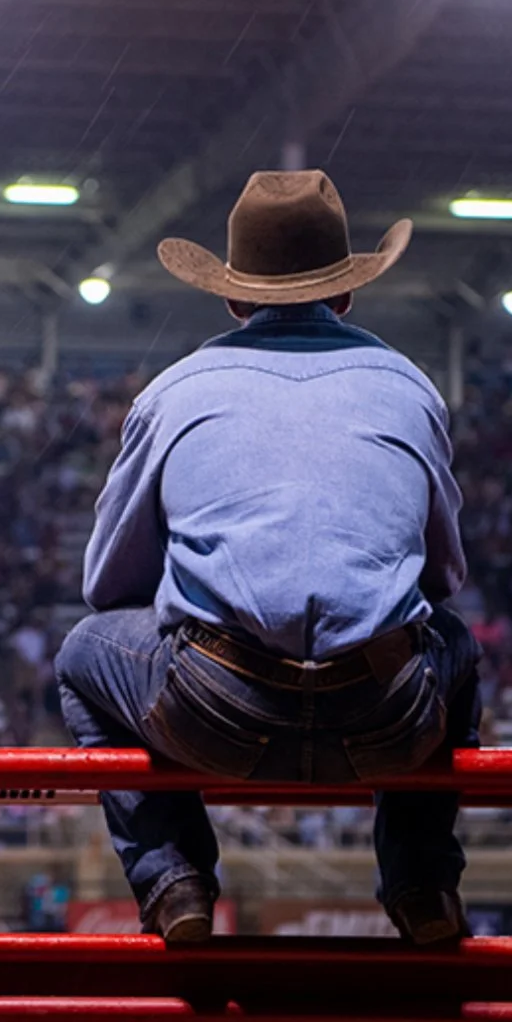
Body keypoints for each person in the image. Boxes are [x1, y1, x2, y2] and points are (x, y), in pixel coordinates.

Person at [55, 170, 480, 948]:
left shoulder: (174, 393)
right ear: (349, 294)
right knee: (456, 642)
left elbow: (105, 586)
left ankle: (173, 878)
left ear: (233, 297)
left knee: (83, 653)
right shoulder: (410, 389)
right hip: (384, 710)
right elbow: (443, 580)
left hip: (218, 706)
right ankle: (422, 882)